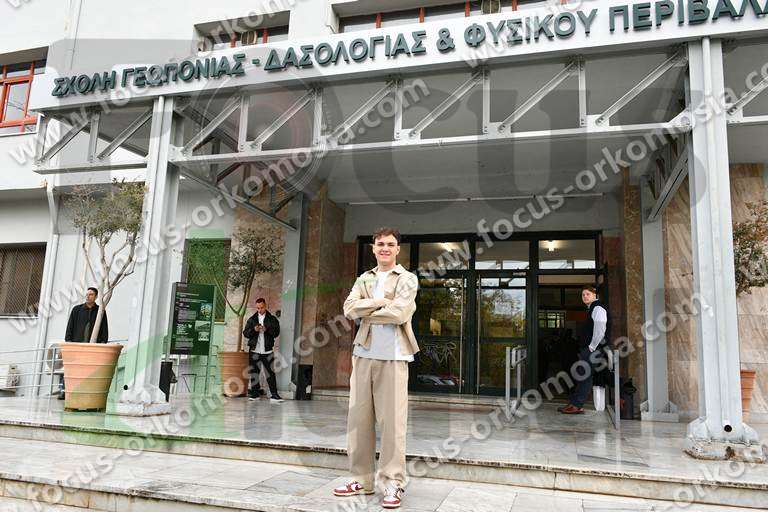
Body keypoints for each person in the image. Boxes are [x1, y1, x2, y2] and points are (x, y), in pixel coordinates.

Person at [333, 227, 419, 510]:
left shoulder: (407, 278)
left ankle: (393, 482)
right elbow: (349, 309)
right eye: (380, 243)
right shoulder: (364, 278)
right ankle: (361, 480)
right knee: (358, 421)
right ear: (373, 248)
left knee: (392, 423)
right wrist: (382, 302)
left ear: (397, 249)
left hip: (394, 356)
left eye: (390, 244)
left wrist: (366, 309)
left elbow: (400, 313)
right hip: (363, 354)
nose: (385, 248)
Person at [559, 285, 610, 414]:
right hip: (591, 349)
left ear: (595, 295)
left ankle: (577, 405)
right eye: (583, 295)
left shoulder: (598, 308)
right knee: (583, 375)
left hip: (593, 350)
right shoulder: (592, 308)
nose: (585, 296)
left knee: (585, 376)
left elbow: (600, 330)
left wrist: (591, 347)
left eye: (588, 294)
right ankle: (575, 403)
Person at [242, 298, 283, 403]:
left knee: (270, 373)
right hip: (254, 350)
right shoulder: (252, 319)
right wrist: (254, 330)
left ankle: (274, 394)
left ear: (265, 306)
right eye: (258, 308)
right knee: (254, 372)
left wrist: (267, 329)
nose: (260, 310)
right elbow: (245, 333)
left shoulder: (272, 319)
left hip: (267, 351)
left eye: (261, 307)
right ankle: (255, 394)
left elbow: (276, 332)